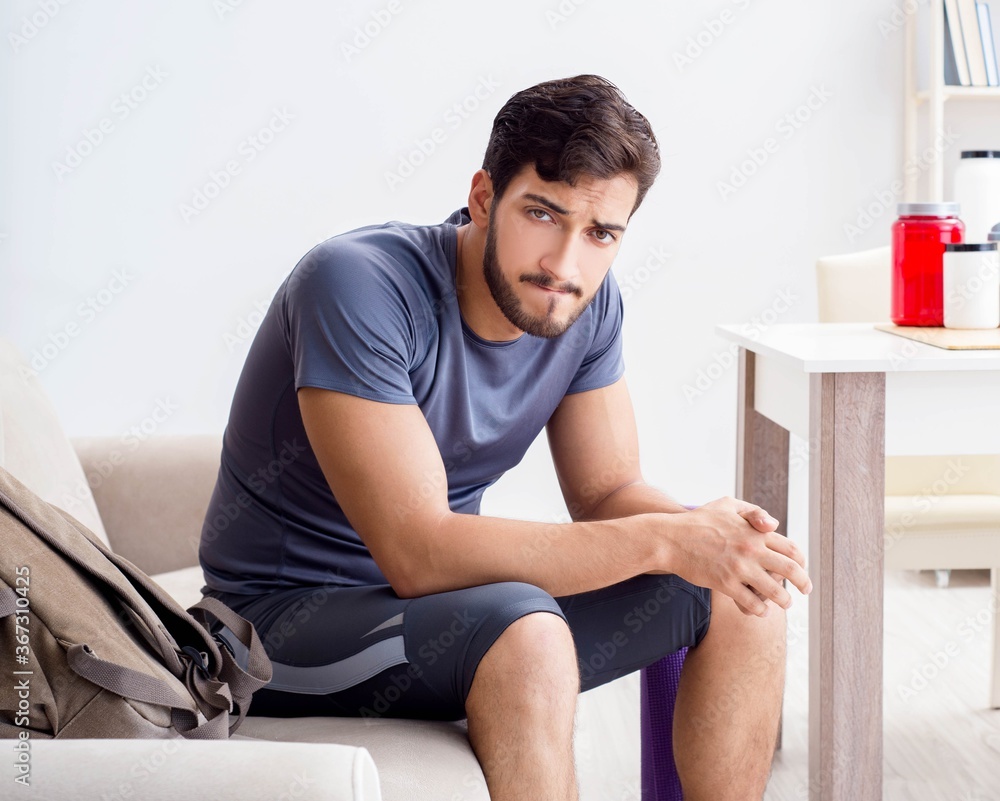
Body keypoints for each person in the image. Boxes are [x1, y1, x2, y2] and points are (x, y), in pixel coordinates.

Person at [198, 74, 812, 801]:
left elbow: (608, 491)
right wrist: (667, 539)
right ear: (485, 198)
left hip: (447, 617)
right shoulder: (355, 285)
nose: (565, 265)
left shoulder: (585, 302)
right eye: (543, 214)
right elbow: (418, 553)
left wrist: (715, 538)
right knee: (526, 633)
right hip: (277, 629)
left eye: (600, 233)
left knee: (748, 592)